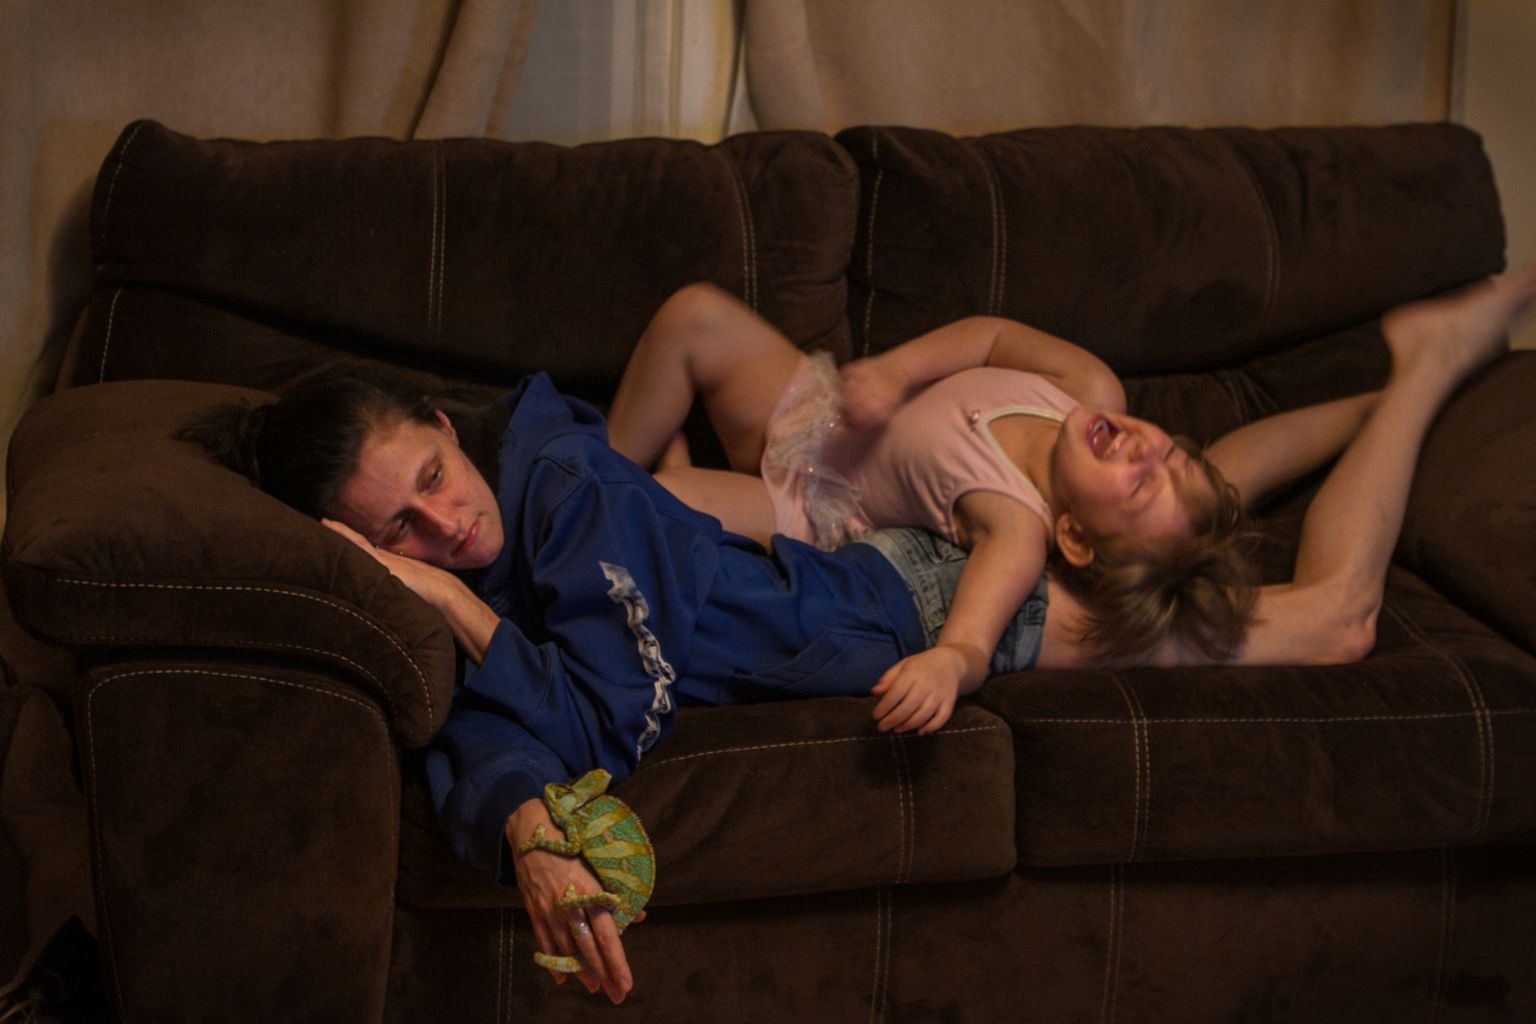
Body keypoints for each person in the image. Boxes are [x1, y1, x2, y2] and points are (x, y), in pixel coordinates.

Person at [183, 267, 1536, 1004]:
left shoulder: (551, 488)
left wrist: (467, 617)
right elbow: (516, 713)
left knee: (1330, 621)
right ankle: (1402, 388)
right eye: (400, 533)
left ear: (443, 425)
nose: (442, 526)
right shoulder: (525, 490)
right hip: (884, 568)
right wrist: (517, 790)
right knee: (1213, 519)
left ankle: (1417, 379)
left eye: (433, 479)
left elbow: (595, 703)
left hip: (929, 603)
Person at [604, 284, 1258, 736]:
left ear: (1076, 538)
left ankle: (627, 483)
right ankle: (605, 456)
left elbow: (971, 643)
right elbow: (990, 336)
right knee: (694, 314)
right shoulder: (1088, 386)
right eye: (1170, 454)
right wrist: (895, 371)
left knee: (652, 509)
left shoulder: (1015, 525)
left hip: (802, 505)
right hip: (814, 408)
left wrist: (948, 667)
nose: (1145, 452)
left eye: (1142, 487)